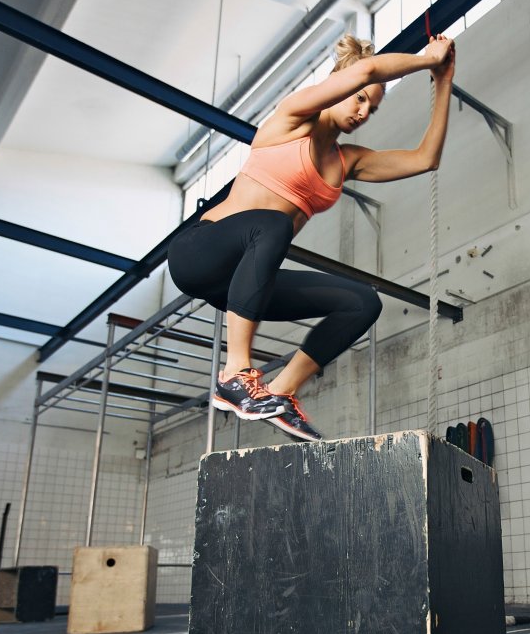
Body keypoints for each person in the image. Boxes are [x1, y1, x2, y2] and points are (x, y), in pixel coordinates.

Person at [167, 33, 456, 442]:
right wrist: (427, 58)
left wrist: (443, 79)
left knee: (361, 303)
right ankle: (234, 374)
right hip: (199, 252)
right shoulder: (294, 117)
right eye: (358, 98)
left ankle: (281, 391)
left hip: (239, 281)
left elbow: (426, 158)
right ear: (341, 83)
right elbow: (369, 69)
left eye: (371, 109)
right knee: (273, 223)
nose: (363, 112)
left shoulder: (346, 161)